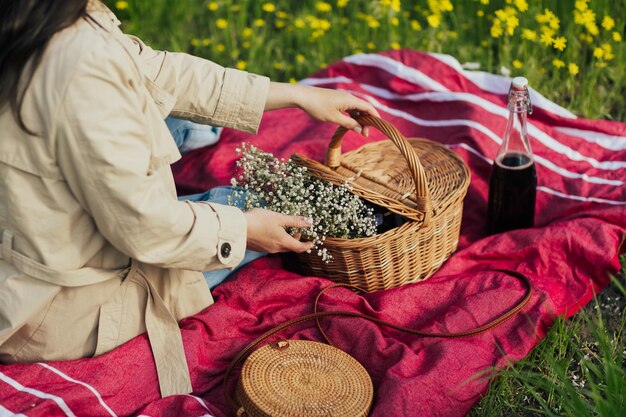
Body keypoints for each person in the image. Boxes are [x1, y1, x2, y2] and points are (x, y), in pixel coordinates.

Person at [0, 0, 380, 397]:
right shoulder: (82, 69)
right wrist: (245, 229)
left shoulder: (36, 19)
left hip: (37, 235)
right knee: (247, 204)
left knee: (186, 122)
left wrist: (298, 95)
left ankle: (205, 151)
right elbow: (146, 229)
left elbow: (155, 69)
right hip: (65, 305)